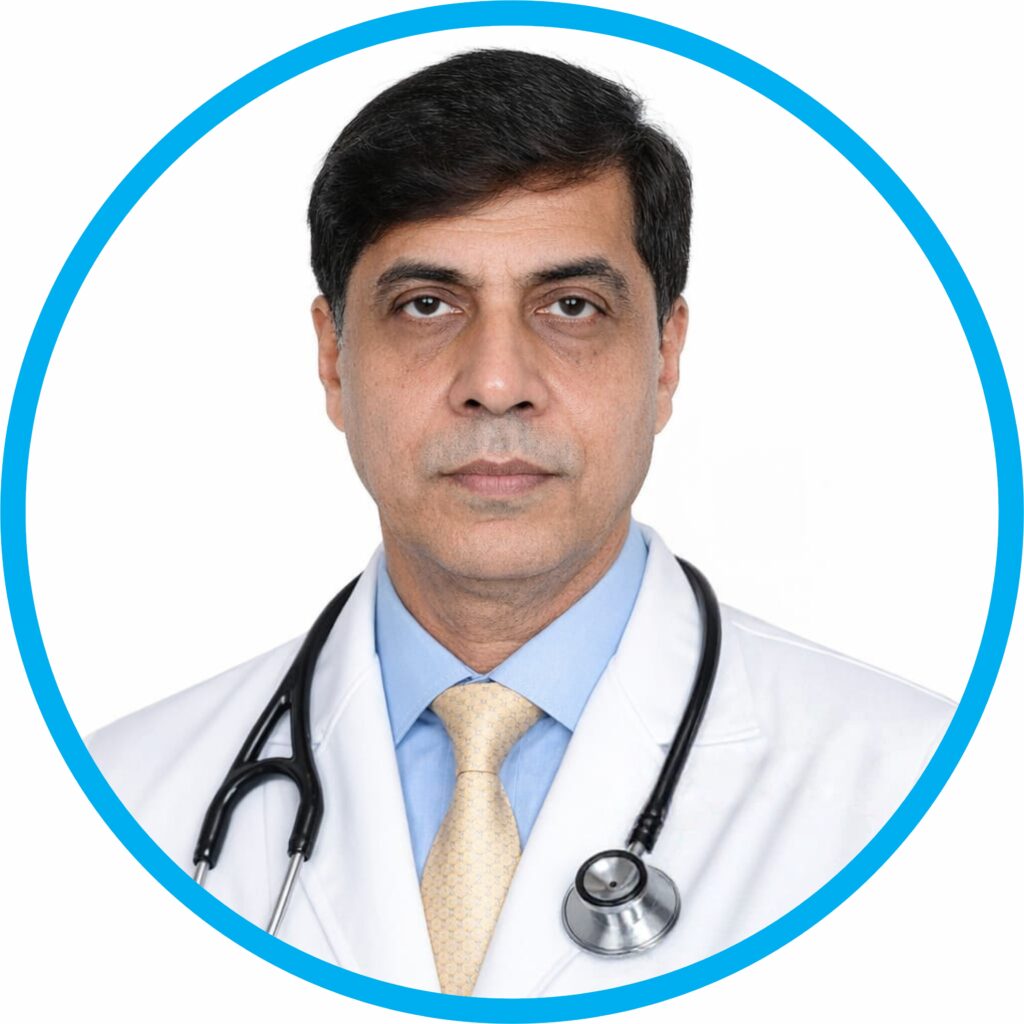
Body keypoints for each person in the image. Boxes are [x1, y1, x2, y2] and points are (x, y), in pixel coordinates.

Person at [87, 48, 955, 998]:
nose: (496, 383)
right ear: (334, 361)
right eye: (426, 305)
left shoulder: (925, 790)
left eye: (571, 307)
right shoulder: (120, 803)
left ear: (665, 359)